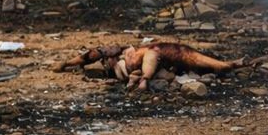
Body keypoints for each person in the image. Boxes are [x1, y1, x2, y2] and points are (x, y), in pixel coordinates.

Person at [55, 42, 244, 91]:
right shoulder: (119, 58)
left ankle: (224, 66)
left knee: (182, 52)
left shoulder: (126, 52)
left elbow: (90, 56)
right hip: (152, 60)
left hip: (162, 57)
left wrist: (65, 64)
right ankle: (225, 66)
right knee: (159, 52)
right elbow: (89, 56)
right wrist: (66, 64)